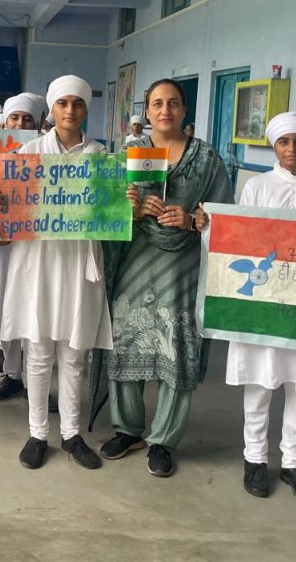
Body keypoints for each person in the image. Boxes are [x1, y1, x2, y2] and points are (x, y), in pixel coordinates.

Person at [101, 78, 233, 477]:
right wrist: (132, 210)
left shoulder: (206, 159)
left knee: (176, 342)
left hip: (183, 265)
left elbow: (226, 216)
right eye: (157, 103)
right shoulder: (131, 154)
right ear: (147, 110)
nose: (165, 110)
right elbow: (102, 207)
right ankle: (128, 429)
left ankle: (163, 440)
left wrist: (192, 220)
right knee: (126, 337)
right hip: (135, 258)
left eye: (173, 103)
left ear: (184, 109)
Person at [201, 112, 296, 502]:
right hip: (262, 301)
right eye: (284, 142)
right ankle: (255, 460)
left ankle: (294, 464)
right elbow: (240, 236)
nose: (292, 149)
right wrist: (209, 225)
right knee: (259, 385)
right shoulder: (257, 187)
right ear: (275, 146)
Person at [0, 75, 111, 470]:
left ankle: (72, 434)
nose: (70, 111)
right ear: (52, 109)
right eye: (63, 103)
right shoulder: (27, 155)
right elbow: (8, 216)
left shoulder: (100, 158)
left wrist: (124, 201)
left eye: (77, 104)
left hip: (78, 261)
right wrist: (0, 202)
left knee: (75, 354)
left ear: (86, 109)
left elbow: (110, 213)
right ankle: (37, 433)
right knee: (39, 351)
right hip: (39, 262)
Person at [0, 93, 42, 402]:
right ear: (5, 122)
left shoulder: (44, 153)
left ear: (37, 123)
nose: (20, 124)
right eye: (15, 118)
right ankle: (12, 374)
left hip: (33, 246)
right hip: (0, 246)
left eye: (27, 119)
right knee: (4, 309)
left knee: (32, 309)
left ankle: (36, 382)